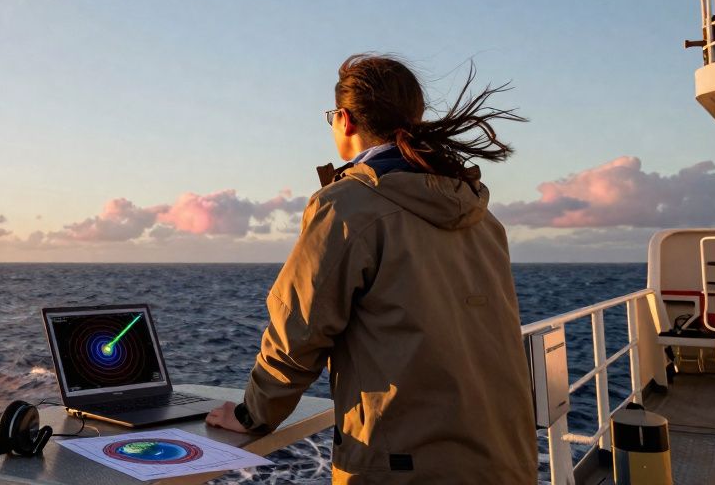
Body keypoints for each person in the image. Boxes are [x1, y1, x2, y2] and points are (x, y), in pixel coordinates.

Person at [206, 54, 537, 484]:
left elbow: (299, 330)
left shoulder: (347, 206)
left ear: (344, 120)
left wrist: (252, 415)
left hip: (402, 465)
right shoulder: (478, 213)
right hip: (503, 455)